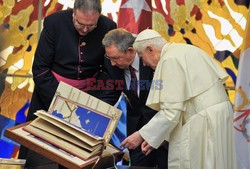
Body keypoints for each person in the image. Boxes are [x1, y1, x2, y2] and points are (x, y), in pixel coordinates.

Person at [19, 0, 122, 168]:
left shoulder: (108, 26)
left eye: (91, 26)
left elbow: (110, 70)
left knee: (82, 155)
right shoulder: (54, 23)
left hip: (89, 99)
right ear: (73, 13)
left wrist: (100, 104)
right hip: (50, 94)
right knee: (39, 154)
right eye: (80, 24)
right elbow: (40, 69)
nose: (85, 30)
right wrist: (62, 104)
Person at [120, 29, 237, 169]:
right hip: (216, 116)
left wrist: (142, 135)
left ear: (150, 49)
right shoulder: (185, 50)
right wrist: (156, 139)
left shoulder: (169, 59)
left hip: (203, 121)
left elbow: (171, 111)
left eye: (141, 56)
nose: (143, 64)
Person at [102, 28, 168, 169]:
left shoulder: (152, 56)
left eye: (116, 58)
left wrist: (152, 132)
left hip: (162, 127)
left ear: (131, 51)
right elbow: (110, 93)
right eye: (110, 58)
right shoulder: (110, 62)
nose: (112, 63)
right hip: (136, 127)